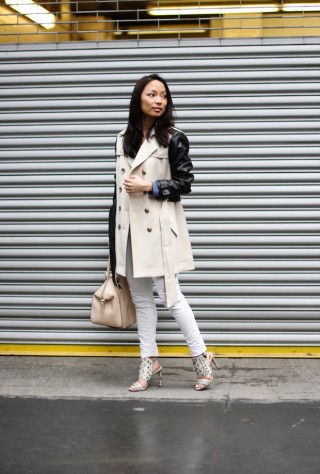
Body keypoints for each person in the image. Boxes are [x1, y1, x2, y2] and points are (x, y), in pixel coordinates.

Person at [112, 73, 219, 392]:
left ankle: (201, 356)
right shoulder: (121, 138)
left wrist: (151, 185)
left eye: (164, 96)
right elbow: (114, 194)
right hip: (128, 231)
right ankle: (149, 361)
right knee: (142, 300)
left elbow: (186, 183)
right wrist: (113, 243)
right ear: (138, 99)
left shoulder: (173, 137)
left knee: (171, 297)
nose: (159, 100)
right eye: (152, 94)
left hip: (158, 229)